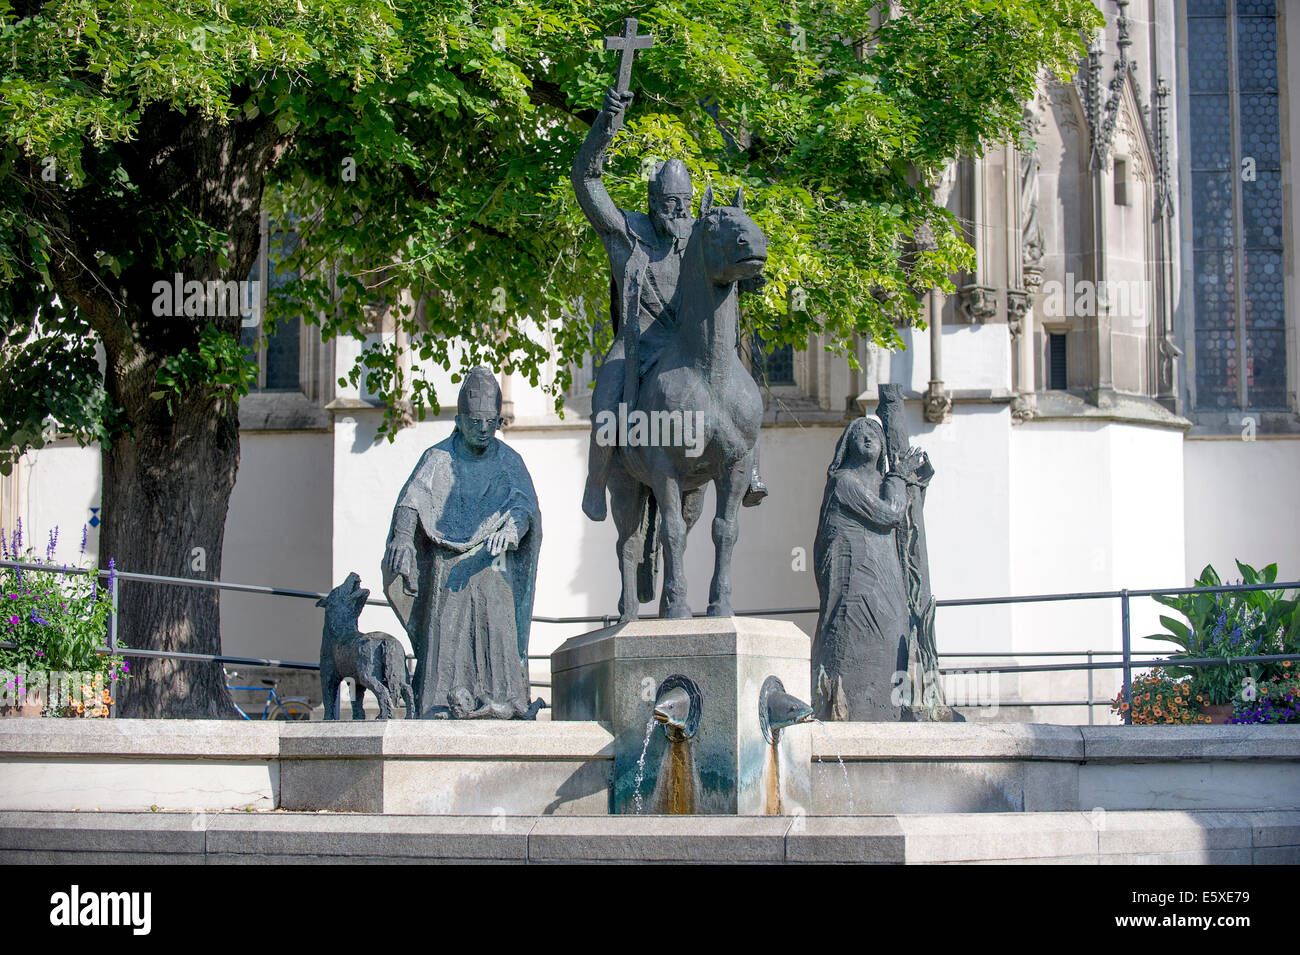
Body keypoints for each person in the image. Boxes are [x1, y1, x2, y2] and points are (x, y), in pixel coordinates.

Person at [571, 87, 766, 522]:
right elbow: (586, 181)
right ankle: (596, 480)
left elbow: (728, 270)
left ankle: (749, 467)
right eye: (669, 204)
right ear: (652, 203)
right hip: (639, 344)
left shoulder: (702, 234)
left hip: (693, 345)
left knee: (740, 384)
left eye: (684, 204)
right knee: (607, 402)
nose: (678, 213)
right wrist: (605, 124)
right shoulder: (625, 233)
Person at [381, 367, 543, 719]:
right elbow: (413, 498)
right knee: (445, 628)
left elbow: (525, 508)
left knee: (497, 617)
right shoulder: (438, 458)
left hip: (493, 566)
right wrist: (404, 537)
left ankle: (505, 703)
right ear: (459, 420)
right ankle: (437, 704)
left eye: (490, 421)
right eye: (475, 421)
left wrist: (512, 530)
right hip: (448, 570)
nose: (483, 429)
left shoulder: (509, 461)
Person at [811, 417, 925, 721]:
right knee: (858, 638)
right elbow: (889, 513)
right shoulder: (844, 482)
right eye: (859, 432)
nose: (867, 436)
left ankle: (889, 711)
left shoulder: (882, 483)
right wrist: (898, 476)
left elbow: (905, 521)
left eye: (874, 431)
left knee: (890, 635)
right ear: (847, 445)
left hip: (885, 584)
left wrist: (910, 481)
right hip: (857, 586)